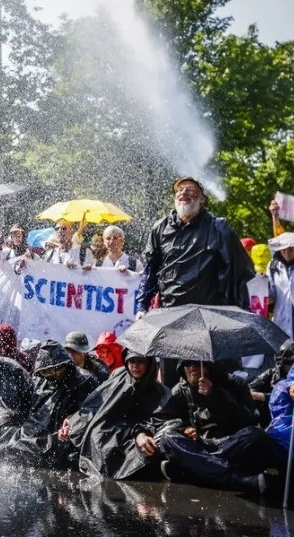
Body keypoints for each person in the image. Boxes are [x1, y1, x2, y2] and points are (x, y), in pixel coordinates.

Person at [137, 177, 255, 383]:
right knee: (171, 378)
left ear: (202, 200)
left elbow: (238, 273)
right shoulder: (160, 228)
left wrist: (239, 310)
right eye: (180, 190)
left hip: (208, 317)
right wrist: (142, 305)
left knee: (210, 379)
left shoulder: (218, 228)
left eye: (191, 190)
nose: (184, 193)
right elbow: (151, 270)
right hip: (171, 315)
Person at [153, 360, 275, 493]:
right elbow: (166, 418)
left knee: (257, 436)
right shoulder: (179, 390)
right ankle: (235, 478)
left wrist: (215, 395)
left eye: (197, 364)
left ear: (209, 366)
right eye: (187, 365)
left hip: (230, 443)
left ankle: (194, 472)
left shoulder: (234, 383)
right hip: (201, 446)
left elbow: (247, 419)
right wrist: (186, 429)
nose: (192, 369)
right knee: (168, 437)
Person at [58, 348, 171, 480]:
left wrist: (141, 432)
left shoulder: (159, 391)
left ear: (149, 364)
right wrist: (72, 421)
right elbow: (95, 403)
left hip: (135, 436)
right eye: (131, 361)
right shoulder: (118, 377)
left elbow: (161, 418)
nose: (135, 366)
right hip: (107, 431)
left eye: (140, 361)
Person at [0, 339, 99, 467]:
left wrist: (73, 420)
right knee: (6, 442)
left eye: (57, 369)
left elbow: (91, 410)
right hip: (36, 431)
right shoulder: (40, 380)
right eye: (47, 371)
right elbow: (29, 408)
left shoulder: (84, 380)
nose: (54, 374)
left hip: (65, 434)